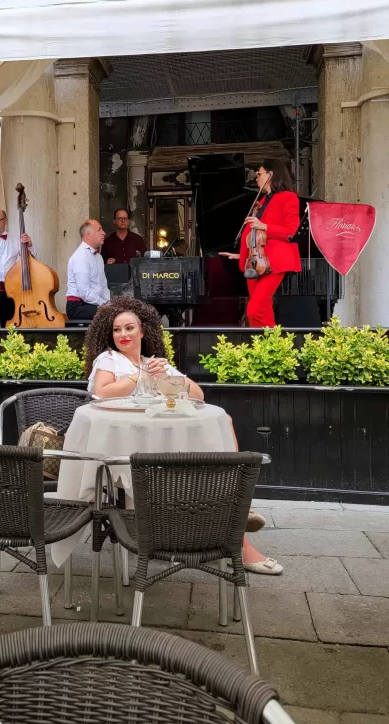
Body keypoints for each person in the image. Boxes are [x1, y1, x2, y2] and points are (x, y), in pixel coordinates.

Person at [84, 296, 283, 575]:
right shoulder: (109, 359)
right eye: (117, 330)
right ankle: (238, 520)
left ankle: (235, 502)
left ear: (143, 331)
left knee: (222, 419)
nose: (123, 335)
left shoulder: (153, 363)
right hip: (131, 442)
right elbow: (102, 392)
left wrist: (163, 374)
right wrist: (137, 376)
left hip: (164, 437)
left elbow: (198, 395)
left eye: (129, 328)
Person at [220, 159, 301, 328]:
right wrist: (241, 255)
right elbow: (255, 236)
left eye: (259, 174)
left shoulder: (288, 197)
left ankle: (269, 348)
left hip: (274, 261)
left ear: (271, 174)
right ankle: (267, 350)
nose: (256, 178)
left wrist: (264, 226)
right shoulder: (263, 200)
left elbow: (291, 231)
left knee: (253, 310)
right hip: (255, 261)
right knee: (262, 313)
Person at [0, 208, 35, 328]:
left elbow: (30, 261)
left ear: (6, 221)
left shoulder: (16, 240)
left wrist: (29, 246)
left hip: (9, 290)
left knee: (9, 327)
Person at [66, 220, 110, 321]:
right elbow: (84, 292)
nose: (103, 233)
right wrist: (104, 305)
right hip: (78, 306)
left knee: (118, 311)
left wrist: (109, 303)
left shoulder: (98, 257)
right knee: (111, 314)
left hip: (92, 304)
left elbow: (103, 286)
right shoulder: (81, 256)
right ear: (88, 235)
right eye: (99, 230)